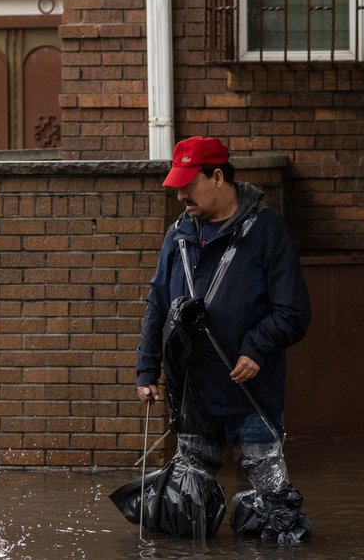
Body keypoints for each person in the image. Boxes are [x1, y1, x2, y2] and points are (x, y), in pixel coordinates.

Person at [134, 136, 312, 542]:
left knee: (275, 513)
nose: (181, 195)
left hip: (250, 389)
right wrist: (147, 369)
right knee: (185, 515)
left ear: (217, 177)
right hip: (194, 392)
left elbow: (293, 312)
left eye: (188, 184)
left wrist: (256, 348)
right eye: (176, 186)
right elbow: (157, 304)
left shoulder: (268, 234)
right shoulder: (178, 235)